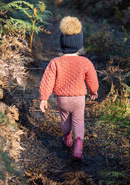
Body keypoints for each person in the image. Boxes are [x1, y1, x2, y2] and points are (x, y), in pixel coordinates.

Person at [39, 16, 99, 161]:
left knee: (65, 121)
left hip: (62, 100)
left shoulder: (55, 62)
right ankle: (78, 148)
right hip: (79, 99)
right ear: (79, 44)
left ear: (62, 44)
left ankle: (67, 139)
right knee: (79, 122)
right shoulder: (85, 62)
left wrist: (44, 98)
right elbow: (92, 79)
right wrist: (93, 90)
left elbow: (47, 81)